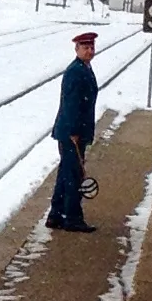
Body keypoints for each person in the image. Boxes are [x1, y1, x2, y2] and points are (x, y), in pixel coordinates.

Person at [48, 29, 99, 230]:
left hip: (75, 131)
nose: (90, 51)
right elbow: (71, 104)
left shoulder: (84, 68)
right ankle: (72, 219)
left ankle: (56, 215)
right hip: (72, 133)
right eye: (85, 47)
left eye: (92, 47)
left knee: (66, 174)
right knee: (74, 177)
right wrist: (74, 132)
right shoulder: (76, 72)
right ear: (76, 49)